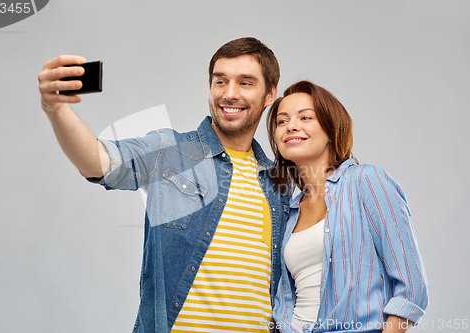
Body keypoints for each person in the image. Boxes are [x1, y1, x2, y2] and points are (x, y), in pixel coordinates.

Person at [38, 37, 290, 332]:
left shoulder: (278, 183)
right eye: (220, 81)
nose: (229, 94)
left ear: (270, 93)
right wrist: (55, 109)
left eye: (245, 83)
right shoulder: (170, 151)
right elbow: (99, 161)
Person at [266, 81, 428, 332]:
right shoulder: (290, 209)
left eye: (305, 117)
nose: (291, 126)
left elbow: (411, 287)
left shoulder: (366, 181)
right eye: (282, 121)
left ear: (331, 129)